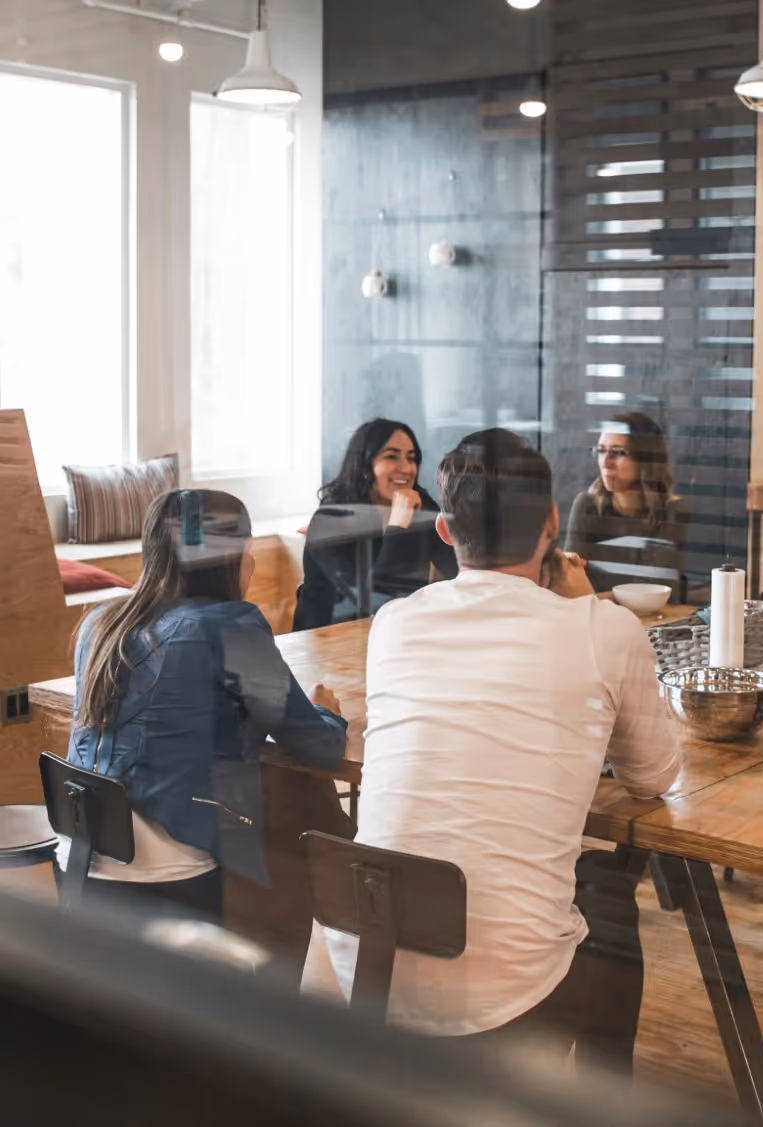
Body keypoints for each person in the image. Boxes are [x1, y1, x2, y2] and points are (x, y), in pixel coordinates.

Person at [312, 429, 680, 1070]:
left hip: (363, 965)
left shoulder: (395, 623)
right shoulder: (604, 627)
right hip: (505, 996)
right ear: (553, 524)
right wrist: (583, 605)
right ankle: (602, 1101)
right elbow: (654, 776)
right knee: (611, 903)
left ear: (446, 531)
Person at [61, 490, 348, 923]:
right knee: (302, 819)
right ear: (232, 557)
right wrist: (329, 712)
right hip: (167, 873)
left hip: (80, 861)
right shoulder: (231, 628)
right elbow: (319, 747)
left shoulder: (98, 624)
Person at [292, 419, 458, 631]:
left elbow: (457, 568)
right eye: (391, 457)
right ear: (364, 467)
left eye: (411, 458)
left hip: (397, 633)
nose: (406, 468)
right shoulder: (330, 520)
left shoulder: (420, 504)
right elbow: (373, 602)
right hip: (328, 639)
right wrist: (399, 526)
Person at [564, 412, 689, 595]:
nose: (605, 463)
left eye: (618, 453)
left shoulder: (672, 510)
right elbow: (569, 581)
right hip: (595, 617)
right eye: (601, 451)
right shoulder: (588, 506)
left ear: (645, 460)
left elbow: (654, 591)